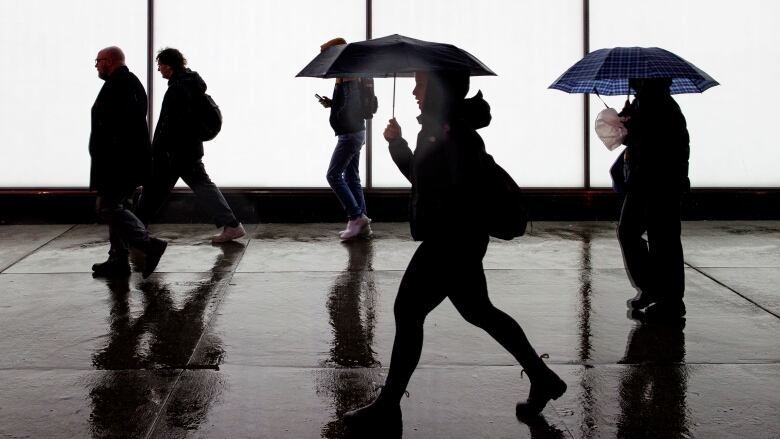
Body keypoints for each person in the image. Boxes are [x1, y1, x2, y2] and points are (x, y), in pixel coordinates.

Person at [342, 71, 566, 435]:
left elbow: (456, 190)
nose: (414, 90)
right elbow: (425, 177)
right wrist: (398, 144)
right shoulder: (439, 127)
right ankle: (542, 377)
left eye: (421, 83)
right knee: (480, 311)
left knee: (408, 311)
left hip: (451, 242)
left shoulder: (453, 132)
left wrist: (443, 224)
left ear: (439, 88)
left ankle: (388, 407)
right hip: (458, 240)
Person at [136, 47, 245, 243]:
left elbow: (170, 125)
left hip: (174, 153)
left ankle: (134, 231)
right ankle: (232, 225)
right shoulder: (190, 83)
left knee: (153, 191)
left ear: (168, 66)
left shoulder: (179, 88)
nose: (159, 69)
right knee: (201, 188)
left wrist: (156, 150)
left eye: (160, 65)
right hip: (188, 150)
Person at [89, 46, 167, 279]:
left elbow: (118, 129)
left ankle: (148, 244)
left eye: (98, 60)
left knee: (107, 207)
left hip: (118, 164)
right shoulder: (126, 82)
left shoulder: (120, 84)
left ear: (110, 60)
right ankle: (118, 260)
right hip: (124, 163)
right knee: (117, 207)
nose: (96, 65)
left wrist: (109, 159)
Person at [617, 78, 690, 320]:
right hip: (647, 181)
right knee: (650, 236)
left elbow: (654, 145)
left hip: (659, 182)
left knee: (661, 240)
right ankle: (657, 290)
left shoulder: (661, 107)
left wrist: (631, 127)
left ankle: (667, 299)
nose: (632, 82)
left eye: (636, 80)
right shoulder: (648, 104)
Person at [318, 38, 371, 240]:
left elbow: (349, 109)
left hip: (349, 135)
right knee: (352, 177)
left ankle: (356, 217)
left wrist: (337, 113)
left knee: (333, 175)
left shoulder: (348, 77)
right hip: (354, 132)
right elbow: (348, 105)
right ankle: (362, 222)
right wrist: (331, 104)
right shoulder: (346, 76)